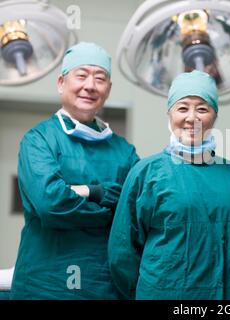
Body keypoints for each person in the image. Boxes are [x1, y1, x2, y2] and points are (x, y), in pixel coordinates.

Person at [10, 42, 139, 299]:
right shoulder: (39, 140)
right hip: (44, 286)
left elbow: (132, 215)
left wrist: (74, 192)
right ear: (61, 83)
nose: (90, 85)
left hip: (103, 285)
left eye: (99, 78)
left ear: (108, 89)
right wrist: (98, 194)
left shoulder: (125, 152)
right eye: (81, 75)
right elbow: (50, 205)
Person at [108, 70, 230, 300]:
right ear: (169, 114)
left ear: (214, 116)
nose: (191, 117)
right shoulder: (146, 173)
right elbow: (122, 252)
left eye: (202, 108)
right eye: (182, 108)